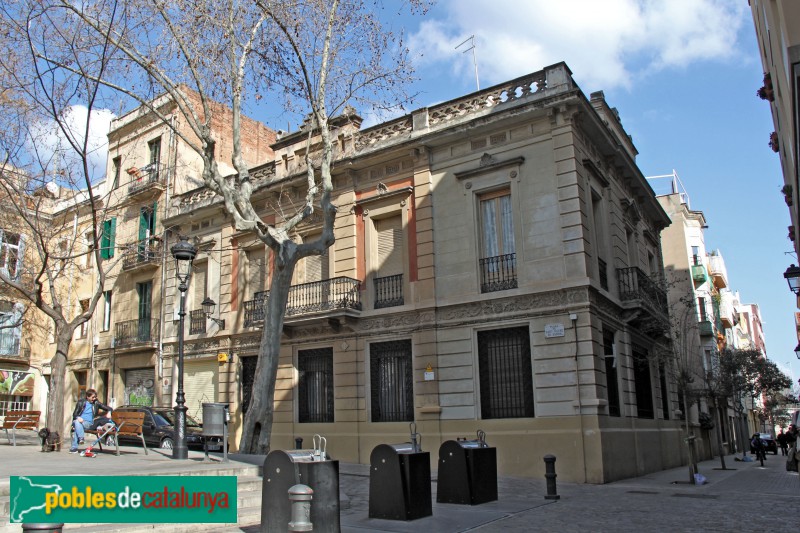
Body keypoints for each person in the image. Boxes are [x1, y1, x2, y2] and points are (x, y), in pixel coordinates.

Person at [69, 389, 112, 453]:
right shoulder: (81, 402)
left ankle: (75, 447)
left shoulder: (96, 403)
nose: (94, 399)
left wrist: (109, 412)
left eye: (95, 397)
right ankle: (79, 441)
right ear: (87, 397)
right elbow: (75, 414)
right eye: (92, 397)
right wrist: (78, 417)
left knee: (77, 426)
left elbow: (109, 408)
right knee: (77, 423)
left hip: (89, 423)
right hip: (80, 422)